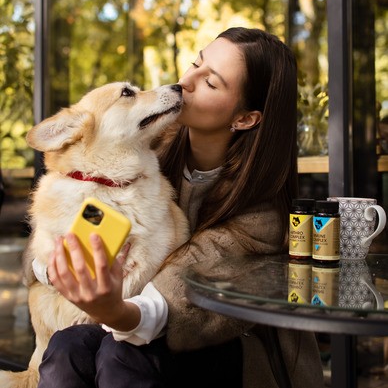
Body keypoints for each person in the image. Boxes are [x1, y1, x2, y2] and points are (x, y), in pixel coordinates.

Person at [35, 27, 324, 388]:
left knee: (120, 354)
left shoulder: (262, 214)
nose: (186, 80)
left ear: (245, 118)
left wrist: (111, 308)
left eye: (211, 83)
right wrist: (54, 262)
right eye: (195, 64)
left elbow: (176, 299)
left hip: (227, 349)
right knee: (67, 348)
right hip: (127, 322)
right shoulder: (139, 152)